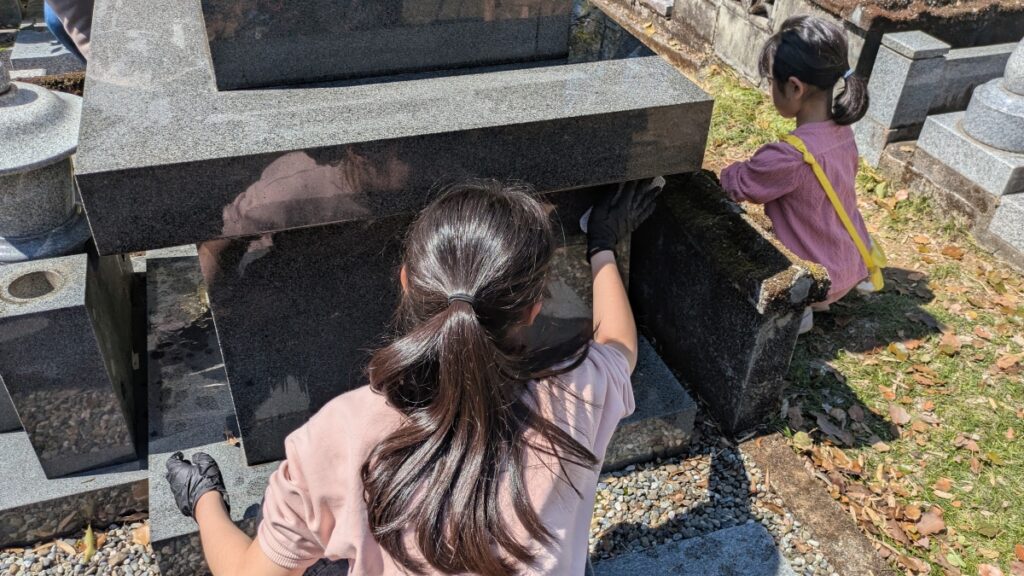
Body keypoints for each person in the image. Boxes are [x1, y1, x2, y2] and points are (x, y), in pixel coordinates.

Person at [165, 178, 662, 575]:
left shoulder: (338, 436)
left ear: (403, 280)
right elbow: (619, 345)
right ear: (534, 308)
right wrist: (602, 246)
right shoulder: (579, 395)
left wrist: (205, 499)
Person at [720, 15, 875, 334]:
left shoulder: (789, 157)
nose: (769, 88)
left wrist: (727, 171)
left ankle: (801, 311)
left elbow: (739, 185)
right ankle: (822, 296)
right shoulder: (843, 133)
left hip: (819, 276)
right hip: (852, 261)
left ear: (794, 87)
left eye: (771, 81)